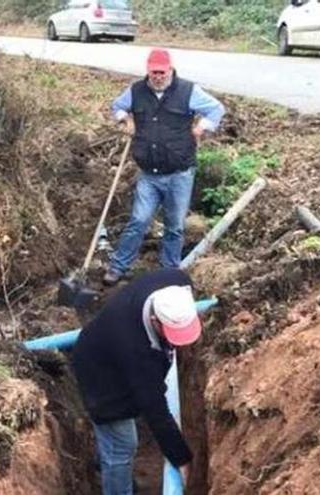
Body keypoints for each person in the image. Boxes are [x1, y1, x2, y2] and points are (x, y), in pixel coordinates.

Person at [71, 267, 202, 495]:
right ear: (155, 320)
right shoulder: (136, 349)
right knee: (122, 445)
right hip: (98, 373)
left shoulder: (176, 282)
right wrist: (182, 459)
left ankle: (104, 456)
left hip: (107, 343)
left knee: (114, 443)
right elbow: (155, 410)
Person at [104, 48, 225, 285]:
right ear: (148, 71)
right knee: (139, 220)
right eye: (153, 73)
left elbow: (216, 109)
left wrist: (203, 126)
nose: (157, 77)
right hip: (149, 173)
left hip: (179, 173)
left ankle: (167, 272)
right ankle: (119, 266)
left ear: (170, 70)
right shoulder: (136, 91)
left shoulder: (188, 91)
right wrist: (125, 119)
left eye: (162, 72)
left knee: (175, 226)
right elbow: (117, 106)